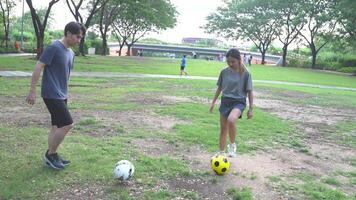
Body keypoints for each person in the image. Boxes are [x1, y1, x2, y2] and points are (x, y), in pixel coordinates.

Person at [26, 22, 86, 170]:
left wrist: (66, 92)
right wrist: (32, 90)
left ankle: (52, 155)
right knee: (67, 124)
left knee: (56, 126)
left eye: (80, 38)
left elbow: (66, 74)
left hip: (61, 94)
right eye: (77, 37)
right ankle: (50, 154)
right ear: (68, 33)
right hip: (50, 93)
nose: (79, 40)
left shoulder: (71, 53)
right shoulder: (54, 47)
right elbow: (38, 66)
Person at [209, 48, 254, 157]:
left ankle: (232, 145)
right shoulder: (224, 72)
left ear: (239, 60)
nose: (230, 63)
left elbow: (250, 91)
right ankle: (221, 153)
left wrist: (251, 109)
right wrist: (213, 102)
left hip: (238, 102)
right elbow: (220, 88)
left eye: (233, 61)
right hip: (225, 101)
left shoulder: (246, 73)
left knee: (231, 120)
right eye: (228, 61)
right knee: (223, 129)